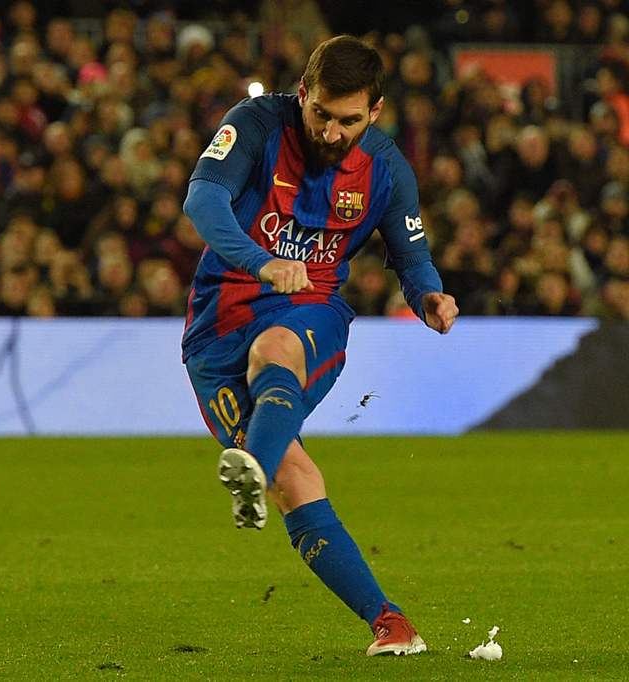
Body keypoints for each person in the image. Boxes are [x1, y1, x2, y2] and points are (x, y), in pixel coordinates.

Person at [181, 35, 458, 656]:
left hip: (312, 314)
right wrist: (260, 261)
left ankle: (250, 461)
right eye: (322, 115)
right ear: (302, 94)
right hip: (216, 325)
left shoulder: (385, 170)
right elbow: (202, 198)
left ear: (376, 111)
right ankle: (391, 625)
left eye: (349, 121)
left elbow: (410, 259)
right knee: (295, 479)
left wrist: (430, 297)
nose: (332, 133)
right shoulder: (255, 124)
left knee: (276, 346)